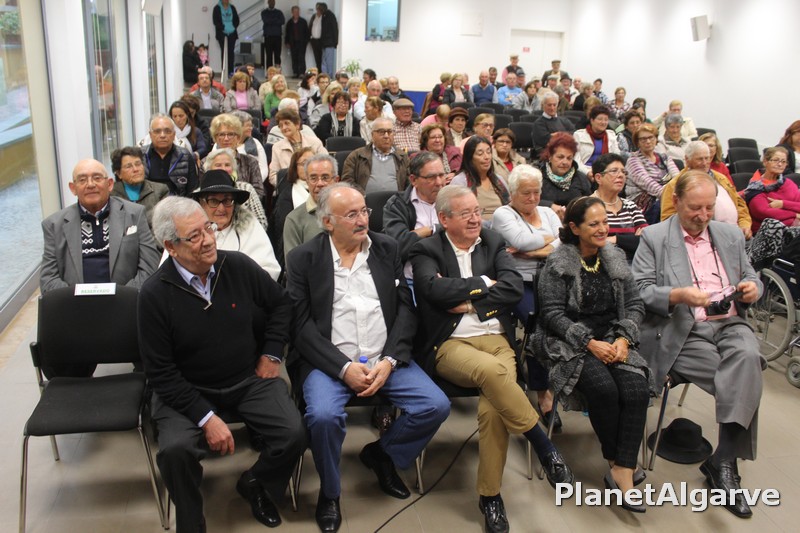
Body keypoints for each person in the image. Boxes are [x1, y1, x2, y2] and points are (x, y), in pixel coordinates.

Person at [285, 183, 450, 533]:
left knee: (435, 405)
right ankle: (330, 492)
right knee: (324, 416)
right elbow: (299, 325)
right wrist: (343, 368)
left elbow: (406, 309)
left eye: (364, 211)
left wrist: (389, 360)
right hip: (328, 362)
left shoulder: (386, 248)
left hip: (383, 356)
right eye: (351, 214)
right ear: (327, 222)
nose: (362, 220)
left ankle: (382, 455)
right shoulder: (303, 258)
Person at [410, 185, 573, 533]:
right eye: (465, 213)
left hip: (497, 339)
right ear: (444, 219)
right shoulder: (427, 249)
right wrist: (486, 281)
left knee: (494, 408)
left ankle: (490, 497)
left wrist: (469, 301)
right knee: (494, 374)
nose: (475, 219)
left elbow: (512, 288)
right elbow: (432, 290)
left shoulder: (492, 241)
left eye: (476, 211)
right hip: (451, 344)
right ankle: (543, 445)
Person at [140, 196, 305, 532]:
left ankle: (256, 483)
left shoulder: (238, 266)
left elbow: (281, 304)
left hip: (245, 378)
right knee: (175, 451)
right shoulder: (154, 294)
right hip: (187, 389)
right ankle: (191, 519)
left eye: (209, 228)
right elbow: (161, 373)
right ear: (171, 247)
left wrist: (272, 352)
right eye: (195, 236)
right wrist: (206, 417)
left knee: (294, 433)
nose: (208, 240)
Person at [631, 170, 765, 519]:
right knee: (746, 375)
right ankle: (725, 467)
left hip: (730, 322)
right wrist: (678, 295)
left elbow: (750, 275)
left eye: (709, 208)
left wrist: (753, 288)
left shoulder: (729, 234)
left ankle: (723, 460)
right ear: (676, 201)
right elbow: (639, 291)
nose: (703, 216)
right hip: (684, 329)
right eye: (695, 208)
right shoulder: (655, 238)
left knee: (747, 355)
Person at [535, 196, 651, 512]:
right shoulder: (558, 263)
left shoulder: (614, 257)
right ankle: (620, 465)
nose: (603, 229)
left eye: (605, 222)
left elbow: (635, 305)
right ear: (574, 228)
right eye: (594, 224)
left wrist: (624, 338)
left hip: (613, 337)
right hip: (569, 341)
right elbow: (552, 315)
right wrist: (589, 343)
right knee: (603, 388)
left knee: (637, 389)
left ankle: (621, 467)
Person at [491, 165, 562, 427]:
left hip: (553, 280)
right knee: (539, 324)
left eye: (536, 192)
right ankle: (544, 394)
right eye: (526, 193)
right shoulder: (503, 213)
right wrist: (548, 241)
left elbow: (564, 242)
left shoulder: (548, 213)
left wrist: (533, 251)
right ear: (512, 193)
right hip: (518, 283)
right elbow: (521, 240)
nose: (533, 198)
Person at [192, 169, 280, 281]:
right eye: (213, 201)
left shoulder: (250, 227)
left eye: (227, 200)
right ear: (201, 203)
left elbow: (269, 270)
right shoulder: (190, 230)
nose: (221, 208)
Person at [661, 141, 751, 239]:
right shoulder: (674, 185)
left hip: (736, 233)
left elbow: (740, 204)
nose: (704, 163)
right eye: (700, 159)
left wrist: (744, 224)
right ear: (687, 159)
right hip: (703, 238)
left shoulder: (721, 178)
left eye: (707, 158)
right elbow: (667, 219)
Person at [383, 151, 446, 285]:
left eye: (441, 175)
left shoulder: (453, 200)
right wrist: (433, 229)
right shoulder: (397, 205)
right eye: (431, 177)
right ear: (413, 180)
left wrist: (422, 232)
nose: (439, 182)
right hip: (412, 280)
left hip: (451, 276)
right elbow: (398, 246)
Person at [283, 153, 340, 259]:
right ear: (307, 182)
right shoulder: (294, 220)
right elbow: (293, 264)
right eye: (313, 178)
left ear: (336, 181)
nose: (320, 183)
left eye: (325, 177)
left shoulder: (350, 213)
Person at [591, 154, 647, 260]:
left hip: (634, 262)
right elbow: (592, 243)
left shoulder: (630, 206)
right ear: (598, 178)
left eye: (623, 172)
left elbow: (646, 239)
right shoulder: (589, 206)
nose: (621, 175)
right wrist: (630, 240)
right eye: (614, 171)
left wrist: (615, 239)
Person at [203, 147, 268, 233]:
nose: (223, 169)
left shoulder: (246, 188)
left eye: (227, 165)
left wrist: (246, 237)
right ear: (209, 169)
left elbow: (262, 221)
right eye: (218, 165)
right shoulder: (200, 193)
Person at [625, 123, 680, 224]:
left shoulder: (665, 157)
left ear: (656, 139)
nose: (648, 141)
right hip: (643, 204)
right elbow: (650, 185)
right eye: (643, 139)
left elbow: (678, 178)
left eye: (651, 137)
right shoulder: (633, 161)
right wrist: (673, 196)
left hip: (667, 196)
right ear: (637, 142)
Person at [204, 113, 265, 201]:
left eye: (230, 134)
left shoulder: (251, 162)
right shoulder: (205, 162)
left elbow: (258, 192)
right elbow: (203, 192)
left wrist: (236, 204)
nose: (226, 139)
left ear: (238, 137)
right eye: (221, 134)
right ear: (215, 138)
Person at [341, 117, 410, 192]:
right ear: (372, 135)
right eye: (381, 132)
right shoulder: (357, 156)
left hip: (396, 199)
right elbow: (347, 182)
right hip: (364, 198)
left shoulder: (403, 157)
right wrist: (361, 195)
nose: (386, 136)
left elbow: (409, 183)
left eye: (390, 132)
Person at [451, 136, 509, 222]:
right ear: (470, 158)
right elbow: (458, 213)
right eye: (480, 153)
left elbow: (510, 207)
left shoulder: (499, 180)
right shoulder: (460, 181)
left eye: (489, 152)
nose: (486, 157)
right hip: (476, 226)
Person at [110, 146, 169, 230]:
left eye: (138, 164)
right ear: (119, 173)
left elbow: (164, 224)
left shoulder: (160, 190)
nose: (135, 169)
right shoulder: (110, 194)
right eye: (128, 166)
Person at [536, 132, 592, 220]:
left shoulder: (581, 178)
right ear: (550, 157)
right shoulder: (538, 176)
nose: (565, 162)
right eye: (560, 157)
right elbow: (527, 200)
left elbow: (589, 204)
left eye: (569, 158)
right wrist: (549, 205)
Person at [141, 114, 199, 197]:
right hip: (148, 202)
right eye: (157, 131)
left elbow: (193, 190)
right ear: (150, 135)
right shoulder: (140, 155)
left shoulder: (185, 156)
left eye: (167, 131)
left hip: (178, 202)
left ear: (174, 134)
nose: (162, 135)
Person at [573, 105, 620, 176]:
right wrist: (587, 172)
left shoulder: (611, 135)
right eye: (600, 119)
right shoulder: (579, 135)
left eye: (606, 120)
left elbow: (616, 157)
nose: (603, 122)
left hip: (606, 172)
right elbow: (576, 160)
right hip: (584, 171)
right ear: (592, 120)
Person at [532, 92, 575, 157]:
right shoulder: (539, 123)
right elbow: (546, 141)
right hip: (549, 154)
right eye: (549, 105)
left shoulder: (564, 120)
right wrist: (565, 135)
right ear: (543, 105)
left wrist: (557, 134)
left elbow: (574, 133)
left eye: (554, 105)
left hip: (566, 151)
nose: (552, 108)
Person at [308, 2, 338, 76]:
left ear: (322, 9)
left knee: (328, 61)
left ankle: (329, 76)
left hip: (329, 42)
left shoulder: (330, 16)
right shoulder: (323, 16)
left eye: (318, 9)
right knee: (323, 61)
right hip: (323, 43)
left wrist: (335, 42)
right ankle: (324, 75)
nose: (317, 11)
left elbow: (334, 29)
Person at [212, 0, 239, 76]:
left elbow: (237, 19)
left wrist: (233, 27)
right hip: (221, 33)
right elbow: (215, 21)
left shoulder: (232, 7)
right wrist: (223, 28)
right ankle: (224, 72)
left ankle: (230, 71)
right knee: (224, 52)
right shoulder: (217, 8)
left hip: (232, 33)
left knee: (231, 52)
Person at [285, 5, 309, 77]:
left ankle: (302, 73)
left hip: (301, 43)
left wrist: (306, 41)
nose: (296, 13)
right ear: (292, 12)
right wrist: (287, 42)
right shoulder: (289, 22)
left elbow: (307, 32)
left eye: (298, 11)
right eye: (295, 11)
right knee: (294, 58)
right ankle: (295, 72)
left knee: (301, 58)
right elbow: (287, 33)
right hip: (293, 43)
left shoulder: (303, 21)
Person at [261, 0, 284, 69]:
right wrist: (276, 20)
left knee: (277, 55)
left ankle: (277, 71)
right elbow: (266, 21)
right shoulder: (264, 12)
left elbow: (282, 21)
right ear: (268, 2)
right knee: (269, 56)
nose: (272, 3)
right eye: (270, 2)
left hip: (277, 37)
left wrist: (271, 20)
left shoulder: (279, 12)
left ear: (275, 3)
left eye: (273, 2)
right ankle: (269, 72)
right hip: (268, 37)